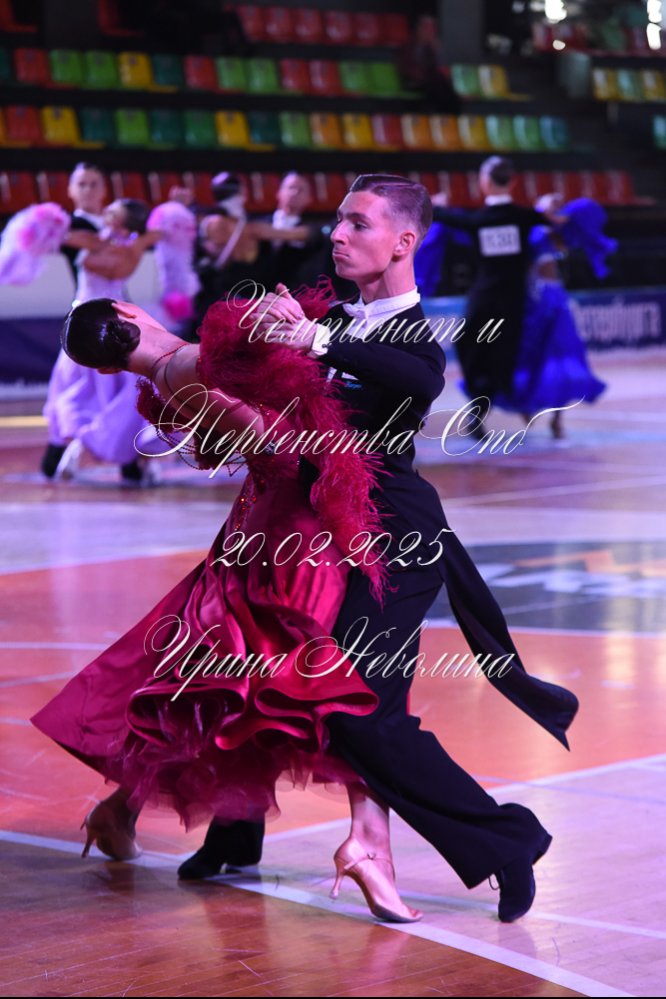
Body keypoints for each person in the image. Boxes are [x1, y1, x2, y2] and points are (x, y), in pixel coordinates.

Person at [184, 174, 580, 923]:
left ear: (403, 242)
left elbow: (416, 378)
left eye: (358, 224)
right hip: (309, 538)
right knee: (253, 674)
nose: (338, 234)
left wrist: (314, 339)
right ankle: (236, 830)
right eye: (337, 220)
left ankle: (508, 840)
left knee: (359, 713)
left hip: (394, 544)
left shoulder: (409, 336)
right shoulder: (331, 316)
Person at [30, 295, 423, 924]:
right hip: (296, 527)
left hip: (259, 519)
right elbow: (281, 442)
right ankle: (368, 842)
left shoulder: (167, 380)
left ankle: (121, 810)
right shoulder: (196, 362)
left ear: (106, 368)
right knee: (321, 681)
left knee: (223, 682)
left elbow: (239, 442)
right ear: (130, 309)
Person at [43, 197, 167, 483]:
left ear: (120, 222)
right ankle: (69, 447)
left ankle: (130, 456)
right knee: (77, 388)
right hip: (83, 324)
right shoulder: (102, 241)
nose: (105, 213)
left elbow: (105, 266)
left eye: (112, 212)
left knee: (119, 393)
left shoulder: (124, 250)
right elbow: (64, 238)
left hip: (105, 325)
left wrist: (102, 244)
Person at [431, 156, 550, 432]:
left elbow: (446, 216)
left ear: (485, 182)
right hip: (514, 301)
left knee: (472, 347)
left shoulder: (479, 220)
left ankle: (482, 405)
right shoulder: (524, 217)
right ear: (513, 181)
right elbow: (556, 220)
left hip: (485, 298)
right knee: (503, 354)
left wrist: (437, 205)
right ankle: (491, 404)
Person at [492, 193, 608, 438]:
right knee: (530, 356)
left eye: (559, 205)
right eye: (552, 205)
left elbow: (585, 212)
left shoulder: (558, 237)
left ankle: (557, 418)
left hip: (556, 302)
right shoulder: (536, 235)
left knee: (563, 357)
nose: (558, 208)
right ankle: (524, 404)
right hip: (535, 302)